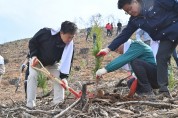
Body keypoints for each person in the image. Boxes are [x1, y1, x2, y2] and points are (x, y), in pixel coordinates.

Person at [97, 0, 178, 98]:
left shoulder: (154, 1)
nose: (130, 12)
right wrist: (108, 49)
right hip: (166, 37)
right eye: (127, 12)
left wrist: (106, 69)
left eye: (130, 8)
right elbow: (124, 34)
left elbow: (174, 4)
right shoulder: (135, 20)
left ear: (135, 1)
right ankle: (164, 91)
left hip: (175, 26)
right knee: (161, 57)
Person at [26, 21, 77, 109]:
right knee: (33, 76)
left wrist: (64, 77)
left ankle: (58, 104)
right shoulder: (45, 32)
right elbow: (32, 42)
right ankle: (30, 105)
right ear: (61, 33)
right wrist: (33, 56)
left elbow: (68, 62)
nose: (70, 40)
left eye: (72, 37)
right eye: (69, 37)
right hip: (37, 60)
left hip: (52, 63)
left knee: (59, 80)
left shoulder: (70, 46)